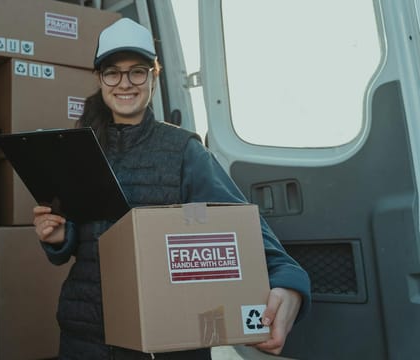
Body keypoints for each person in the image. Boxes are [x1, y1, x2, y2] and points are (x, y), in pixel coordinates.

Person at [33, 17, 311, 360]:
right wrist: (61, 239)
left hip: (164, 342)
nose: (125, 83)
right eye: (113, 72)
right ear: (99, 79)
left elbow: (243, 231)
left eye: (137, 71)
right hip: (84, 336)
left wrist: (289, 282)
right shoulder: (81, 148)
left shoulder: (184, 150)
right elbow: (81, 238)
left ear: (154, 75)